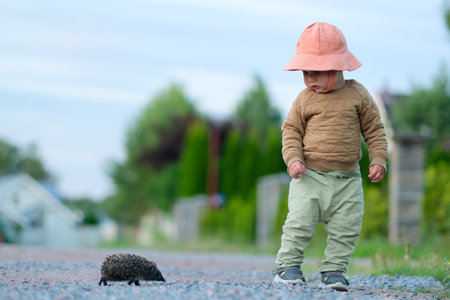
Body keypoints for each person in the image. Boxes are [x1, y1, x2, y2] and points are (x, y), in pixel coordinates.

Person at [272, 22, 388, 292]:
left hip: (347, 180)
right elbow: (291, 130)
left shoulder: (358, 94)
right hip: (308, 176)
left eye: (318, 71)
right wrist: (293, 159)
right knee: (299, 223)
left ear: (338, 67)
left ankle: (334, 271)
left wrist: (379, 159)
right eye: (306, 72)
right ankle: (287, 266)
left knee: (346, 229)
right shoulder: (304, 99)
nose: (311, 78)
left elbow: (374, 129)